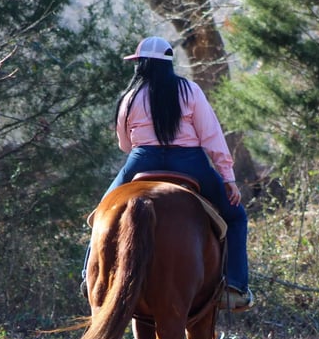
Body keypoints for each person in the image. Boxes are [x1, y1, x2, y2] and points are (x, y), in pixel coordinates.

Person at [83, 36, 253, 312]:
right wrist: (228, 177)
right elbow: (211, 135)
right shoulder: (190, 90)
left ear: (142, 65)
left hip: (142, 159)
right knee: (235, 216)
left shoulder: (130, 96)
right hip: (190, 162)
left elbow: (124, 144)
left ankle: (88, 278)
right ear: (168, 64)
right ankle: (234, 286)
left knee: (100, 214)